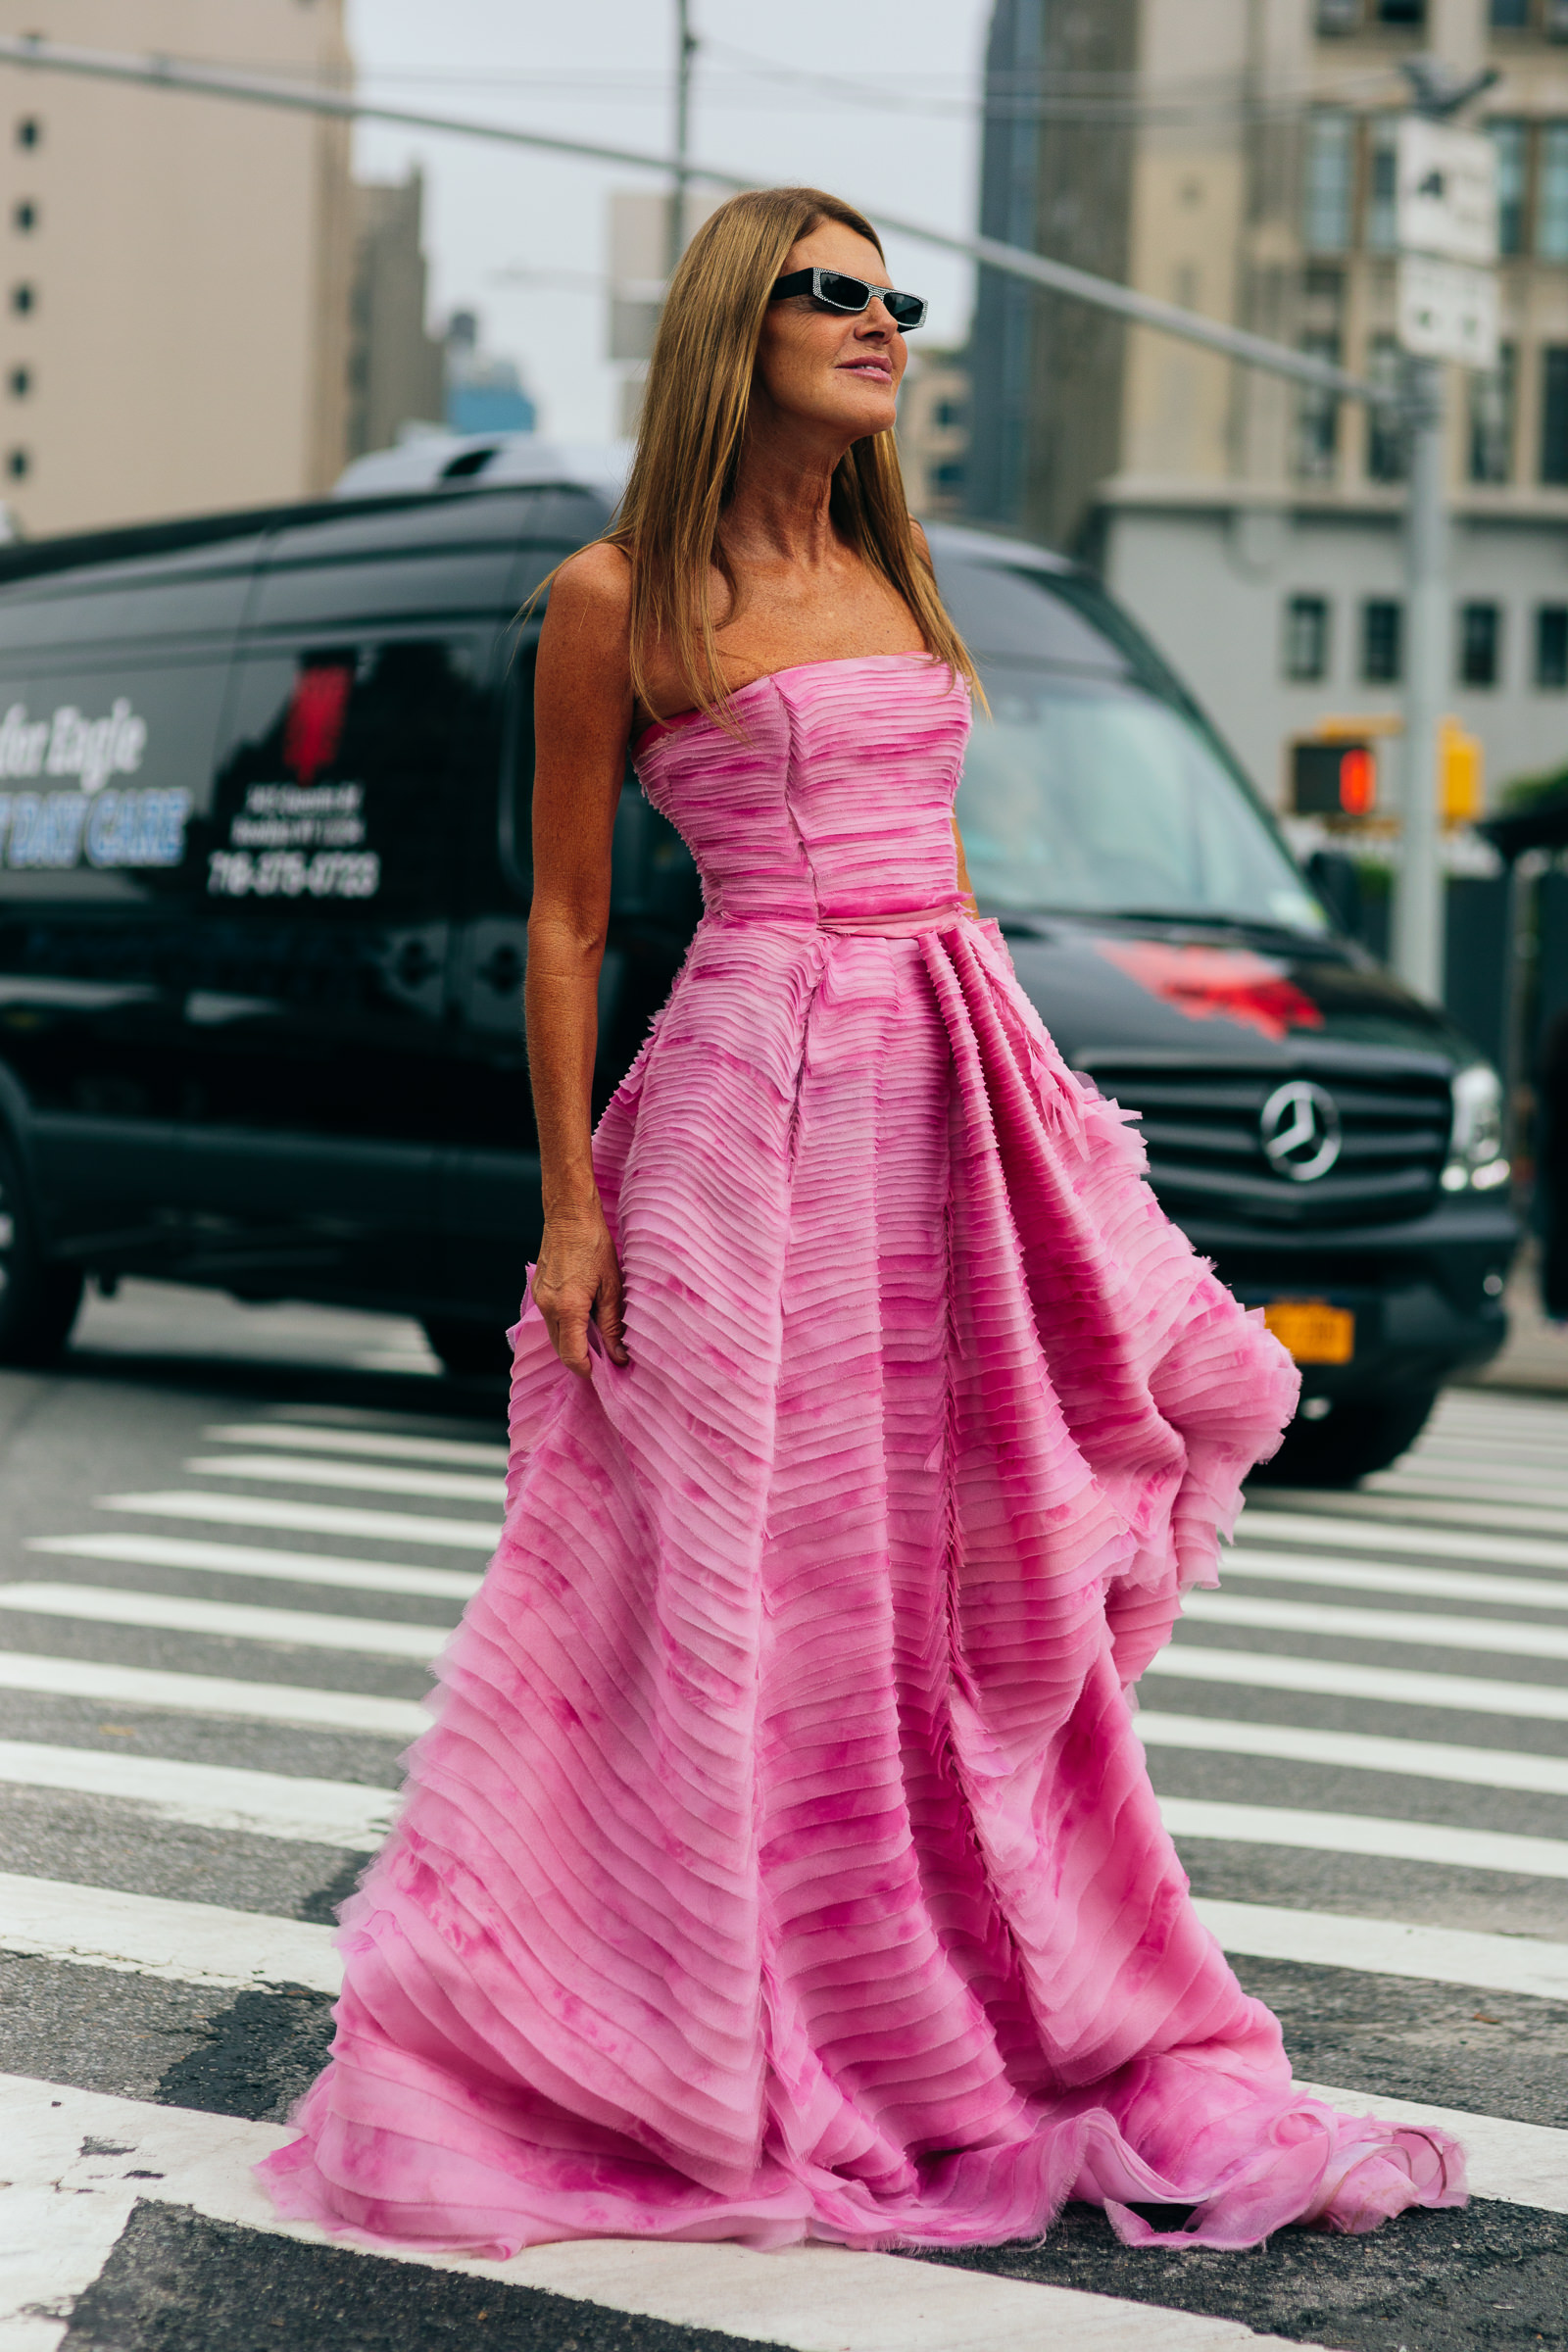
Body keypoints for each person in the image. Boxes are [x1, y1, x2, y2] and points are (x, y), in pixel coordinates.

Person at [261, 185, 1463, 2256]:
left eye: (892, 296)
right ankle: (686, 2015)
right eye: (830, 293)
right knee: (741, 1584)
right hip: (744, 1111)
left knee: (951, 1583)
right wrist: (570, 1207)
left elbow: (954, 894)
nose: (878, 322)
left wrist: (1054, 1136)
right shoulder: (611, 594)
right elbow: (560, 919)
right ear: (737, 322)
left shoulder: (895, 578)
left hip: (937, 1083)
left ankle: (951, 2002)